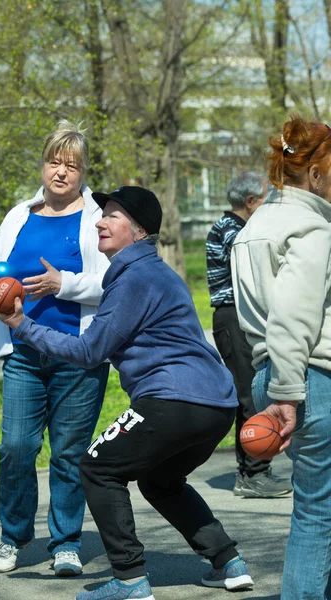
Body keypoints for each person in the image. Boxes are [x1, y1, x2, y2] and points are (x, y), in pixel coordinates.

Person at [0, 185, 254, 600]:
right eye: (102, 214)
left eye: (112, 215)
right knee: (161, 480)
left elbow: (89, 351)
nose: (100, 221)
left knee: (96, 467)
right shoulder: (156, 273)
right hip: (215, 404)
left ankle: (130, 580)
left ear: (140, 231)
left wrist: (22, 326)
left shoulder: (135, 279)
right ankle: (228, 562)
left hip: (173, 399)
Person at [0, 119, 110, 576]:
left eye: (71, 165)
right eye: (54, 161)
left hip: (77, 354)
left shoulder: (98, 218)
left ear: (83, 171)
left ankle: (67, 543)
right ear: (42, 164)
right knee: (15, 447)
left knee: (69, 452)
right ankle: (12, 537)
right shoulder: (20, 214)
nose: (61, 172)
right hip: (23, 353)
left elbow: (113, 282)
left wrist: (63, 283)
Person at [231, 114, 331, 600]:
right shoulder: (312, 228)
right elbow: (292, 318)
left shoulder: (252, 227)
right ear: (314, 172)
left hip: (270, 371)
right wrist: (289, 395)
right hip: (309, 378)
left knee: (314, 508)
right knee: (317, 513)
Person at [206, 172, 293, 498]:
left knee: (257, 391)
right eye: (267, 196)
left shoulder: (239, 228)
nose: (271, 201)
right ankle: (252, 475)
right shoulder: (232, 231)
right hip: (232, 318)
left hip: (245, 317)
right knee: (250, 395)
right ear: (251, 202)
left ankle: (257, 469)